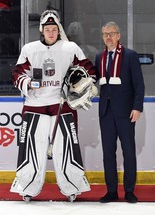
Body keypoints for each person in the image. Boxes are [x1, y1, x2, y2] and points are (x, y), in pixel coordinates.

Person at [10, 10, 94, 202]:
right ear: (42, 30)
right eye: (47, 29)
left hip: (61, 106)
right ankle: (27, 187)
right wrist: (28, 83)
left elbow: (88, 70)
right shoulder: (29, 49)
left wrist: (78, 86)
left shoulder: (70, 48)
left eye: (54, 29)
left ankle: (71, 187)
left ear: (58, 30)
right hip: (34, 106)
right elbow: (16, 74)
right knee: (32, 148)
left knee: (66, 149)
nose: (50, 32)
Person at [94, 22, 145, 203]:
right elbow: (96, 82)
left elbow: (139, 84)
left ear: (118, 35)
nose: (108, 37)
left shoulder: (130, 56)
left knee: (128, 151)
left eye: (112, 34)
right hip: (106, 112)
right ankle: (112, 191)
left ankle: (129, 191)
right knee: (108, 153)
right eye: (105, 34)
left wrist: (137, 107)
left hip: (125, 112)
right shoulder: (99, 57)